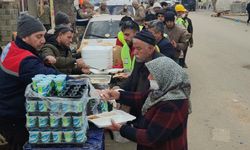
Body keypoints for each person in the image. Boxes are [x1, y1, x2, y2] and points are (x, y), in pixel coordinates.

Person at [100, 56, 191, 150]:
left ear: (164, 77)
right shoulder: (163, 90)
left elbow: (150, 137)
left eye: (152, 75)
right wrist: (118, 95)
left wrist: (121, 128)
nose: (148, 77)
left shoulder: (172, 104)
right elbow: (141, 97)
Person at [0, 14, 61, 149]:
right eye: (38, 36)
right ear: (24, 37)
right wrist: (75, 79)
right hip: (14, 117)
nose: (43, 40)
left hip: (6, 109)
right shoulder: (25, 60)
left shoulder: (12, 47)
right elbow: (52, 78)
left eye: (43, 36)